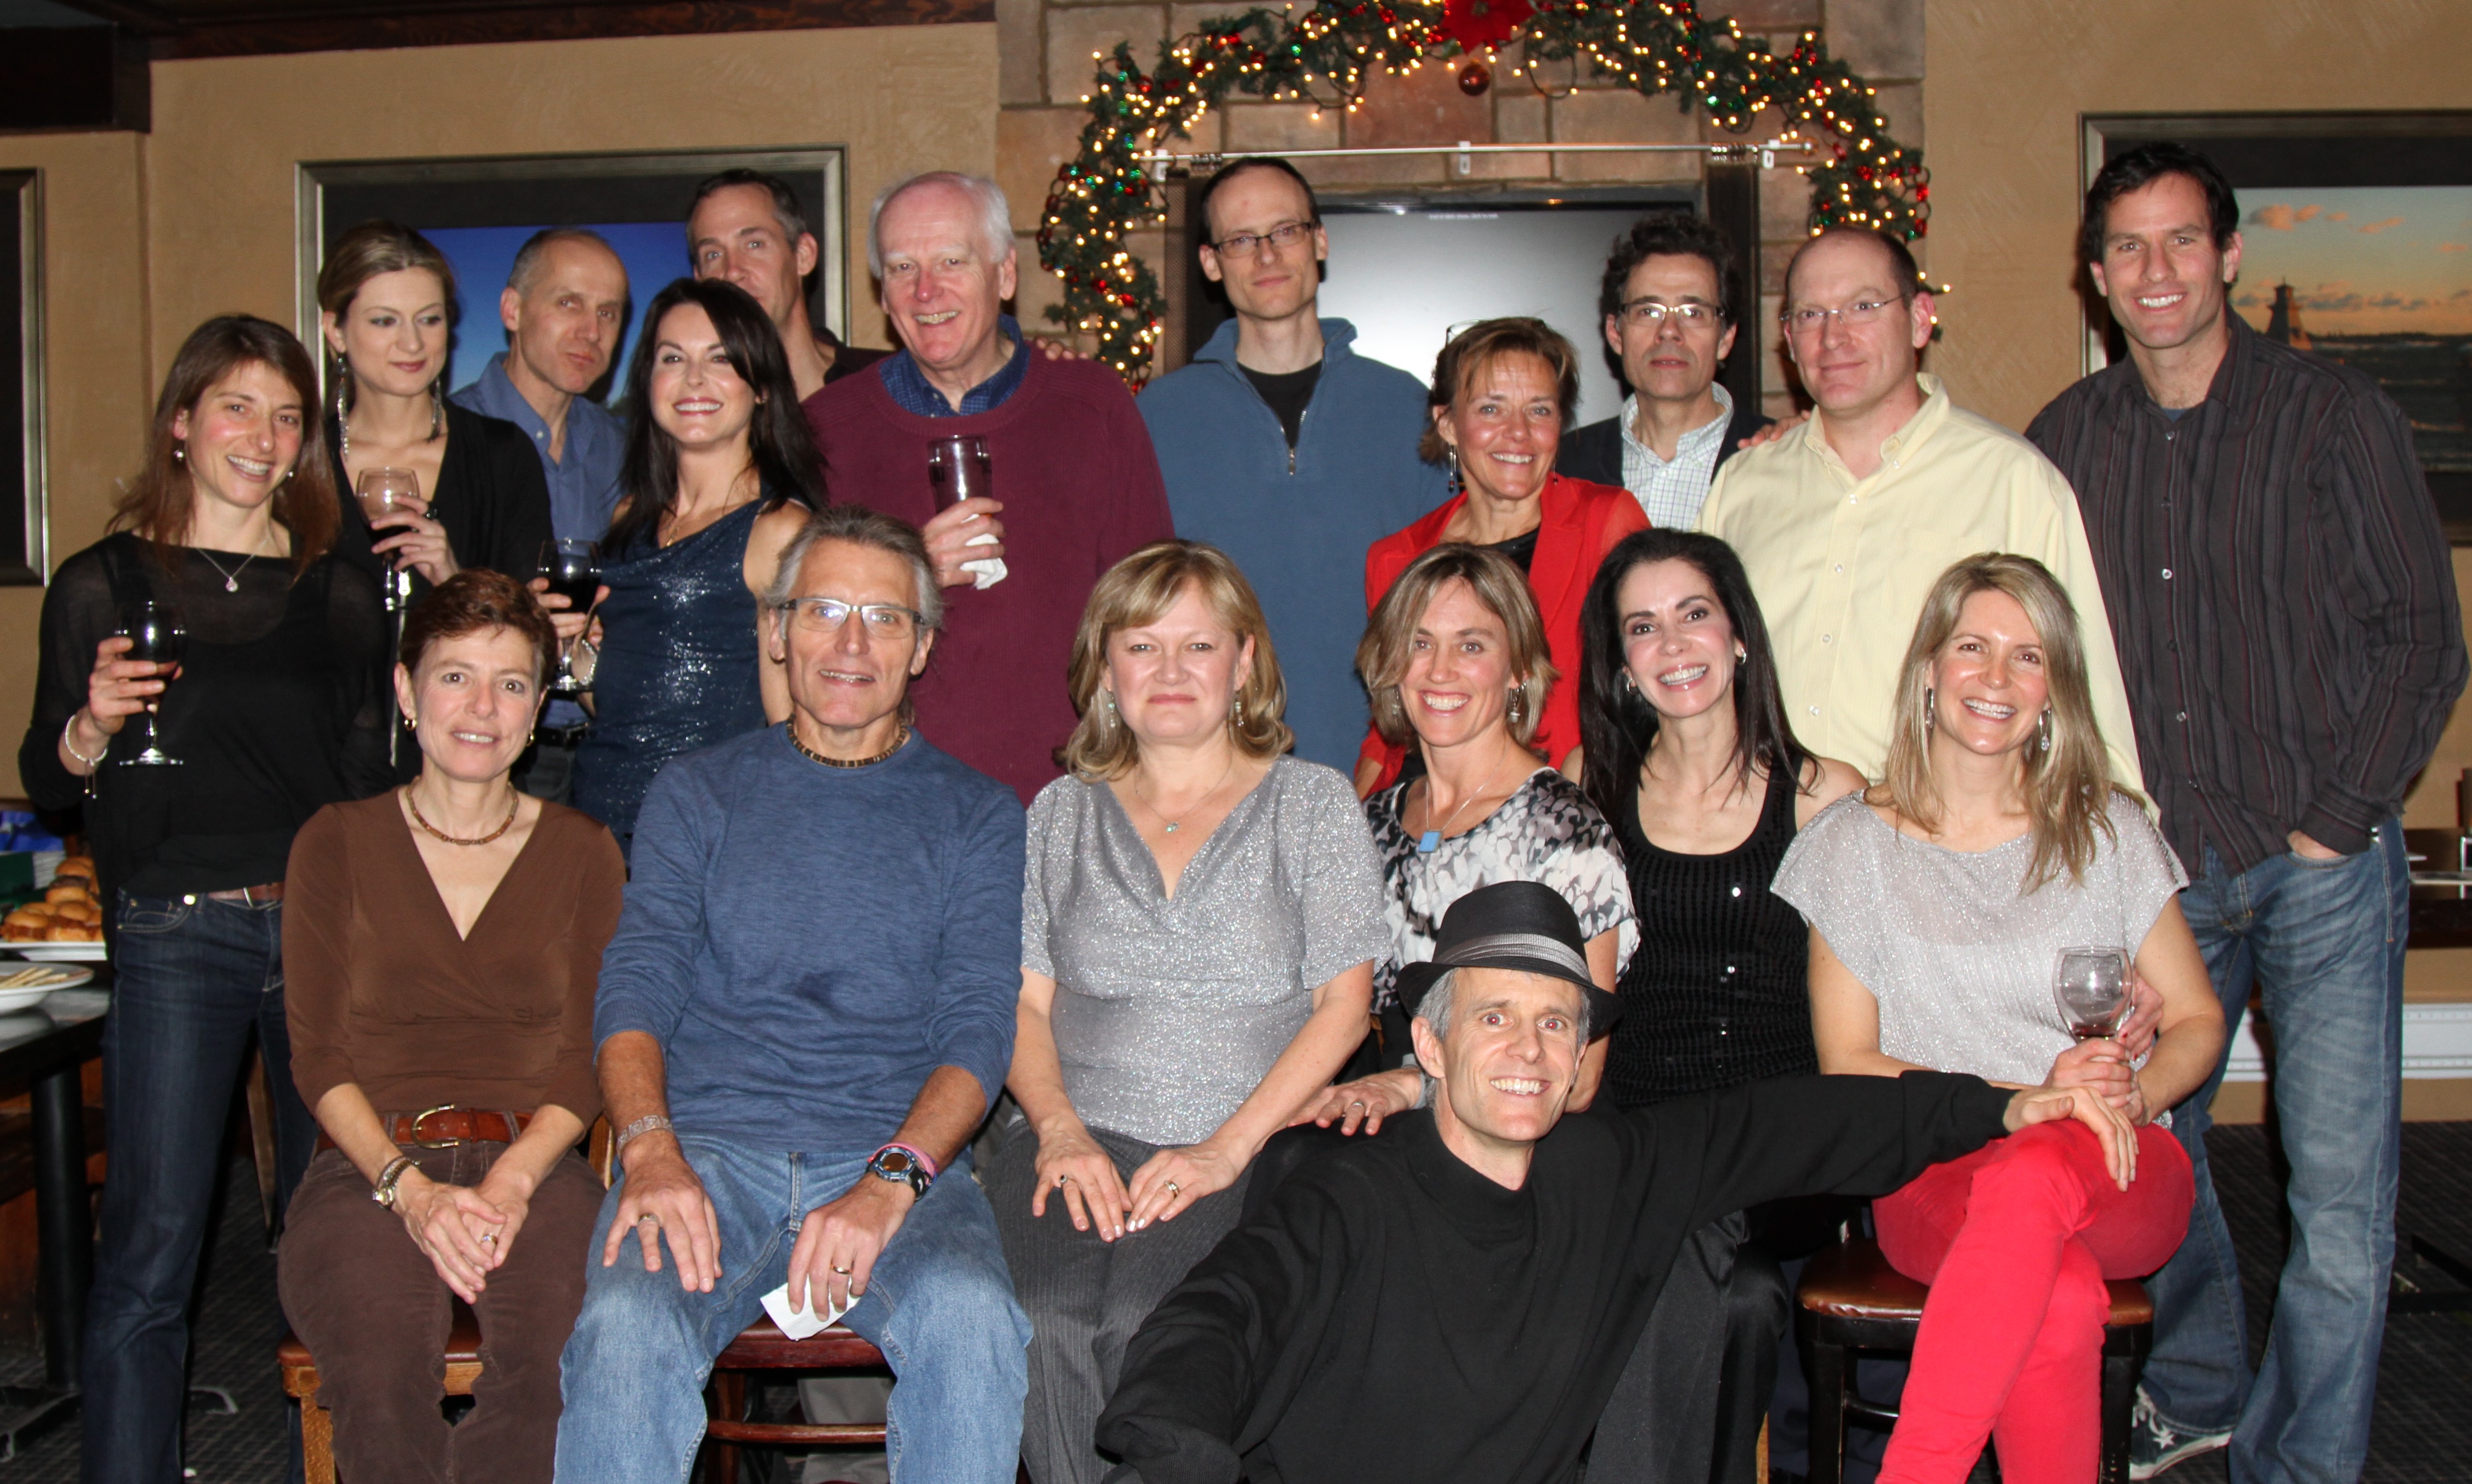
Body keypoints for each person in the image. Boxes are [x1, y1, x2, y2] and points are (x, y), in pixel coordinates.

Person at [1092, 880, 2140, 1484]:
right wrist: (1181, 1454)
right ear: (1431, 1044)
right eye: (1494, 1015)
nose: (1529, 1047)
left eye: (1557, 1022)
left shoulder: (1607, 1169)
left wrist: (1999, 1105)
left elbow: (1797, 1122)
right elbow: (1217, 1316)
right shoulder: (1349, 1198)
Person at [2026, 142, 2467, 1484]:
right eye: (2127, 247)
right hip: (2156, 872)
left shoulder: (2335, 416)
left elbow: (2421, 635)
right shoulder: (2064, 440)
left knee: (2336, 1196)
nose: (2154, 270)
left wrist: (2336, 817)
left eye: (2180, 241)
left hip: (2316, 859)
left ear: (2227, 256)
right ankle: (2203, 1383)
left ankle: (2305, 1461)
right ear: (2096, 275)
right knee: (2144, 1143)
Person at [553, 503, 1029, 1484]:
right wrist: (648, 1149)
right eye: (822, 610)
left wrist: (890, 1180)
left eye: (884, 617)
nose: (851, 644)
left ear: (922, 646)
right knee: (626, 1326)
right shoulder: (697, 791)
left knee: (972, 1317)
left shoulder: (977, 813)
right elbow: (636, 986)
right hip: (706, 1152)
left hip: (895, 1152)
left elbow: (978, 1027)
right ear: (775, 630)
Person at [15, 315, 392, 1482]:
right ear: (182, 422)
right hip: (176, 931)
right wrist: (90, 726)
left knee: (327, 1236)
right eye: (237, 406)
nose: (262, 436)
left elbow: (368, 782)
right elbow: (48, 778)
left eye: (286, 417)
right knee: (154, 1245)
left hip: (319, 931)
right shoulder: (101, 582)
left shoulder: (339, 590)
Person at [1772, 553, 2226, 1484]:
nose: (1995, 677)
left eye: (2027, 657)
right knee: (2053, 1294)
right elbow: (1848, 1062)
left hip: (2114, 1161)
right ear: (1927, 670)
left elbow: (2195, 1018)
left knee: (2034, 1178)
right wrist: (2027, 1097)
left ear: (2052, 690)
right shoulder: (1848, 848)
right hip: (1934, 1171)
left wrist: (2132, 1096)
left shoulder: (2106, 830)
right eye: (1972, 647)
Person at [988, 540, 1388, 1484]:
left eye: (1198, 645)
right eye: (1140, 645)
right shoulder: (1057, 812)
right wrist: (1058, 1130)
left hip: (1249, 1140)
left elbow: (1344, 1006)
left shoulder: (1313, 804)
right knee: (1044, 1318)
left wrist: (1223, 1150)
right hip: (1072, 1131)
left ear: (1243, 663)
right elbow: (1022, 1004)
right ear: (1104, 669)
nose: (1169, 669)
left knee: (1152, 1325)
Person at [279, 570, 624, 1484]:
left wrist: (512, 1179)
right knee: (381, 1371)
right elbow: (317, 1055)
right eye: (454, 676)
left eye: (510, 683)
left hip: (537, 1161)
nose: (481, 708)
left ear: (538, 706)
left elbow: (587, 1054)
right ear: (406, 690)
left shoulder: (585, 852)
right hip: (370, 1164)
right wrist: (413, 1192)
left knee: (561, 1363)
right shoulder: (335, 840)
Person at [1562, 526, 1869, 1482]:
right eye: (1641, 626)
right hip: (1636, 1121)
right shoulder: (1585, 784)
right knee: (1736, 1295)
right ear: (1620, 663)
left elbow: (1903, 965)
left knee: (1683, 1226)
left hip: (1782, 1139)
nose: (1672, 644)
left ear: (1738, 635)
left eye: (1693, 613)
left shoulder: (1823, 795)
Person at [1696, 227, 2140, 788]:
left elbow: (2088, 707)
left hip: (1933, 831)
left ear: (1921, 319)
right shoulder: (1743, 487)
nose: (1832, 337)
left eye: (1862, 307)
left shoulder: (2013, 483)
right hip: (1758, 826)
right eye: (1809, 315)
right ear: (1788, 337)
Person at [805, 170, 1174, 804]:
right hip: (885, 802)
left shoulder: (1091, 406)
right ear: (882, 292)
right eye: (901, 268)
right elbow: (797, 632)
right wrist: (910, 572)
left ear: (1005, 275)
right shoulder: (827, 429)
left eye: (952, 261)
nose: (926, 290)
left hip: (1072, 795)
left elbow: (1153, 612)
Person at [1137, 157, 1447, 771]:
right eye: (1241, 240)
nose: (1267, 255)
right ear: (1211, 263)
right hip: (1211, 771)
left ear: (1320, 241)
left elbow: (1447, 596)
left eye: (1286, 231)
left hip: (1382, 769)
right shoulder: (1157, 418)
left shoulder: (1406, 406)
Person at [1327, 543, 1634, 1094]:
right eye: (1420, 643)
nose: (1440, 670)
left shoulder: (1563, 830)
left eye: (1471, 645)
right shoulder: (1370, 825)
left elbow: (1579, 1076)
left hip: (1513, 1125)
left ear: (1518, 669)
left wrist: (1412, 1087)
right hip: (1384, 1109)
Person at [568, 277, 814, 854]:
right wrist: (575, 653)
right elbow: (615, 705)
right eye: (673, 358)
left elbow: (792, 729)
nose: (694, 380)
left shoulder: (778, 529)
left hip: (707, 839)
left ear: (761, 386)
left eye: (720, 359)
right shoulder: (630, 517)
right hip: (594, 822)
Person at [1358, 318, 1646, 795]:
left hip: (1572, 802)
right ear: (1448, 424)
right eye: (1491, 409)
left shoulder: (1606, 521)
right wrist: (1354, 822)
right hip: (1435, 804)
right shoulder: (1396, 558)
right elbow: (1390, 729)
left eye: (1539, 410)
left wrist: (1579, 792)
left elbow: (1646, 682)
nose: (1519, 432)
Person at [451, 227, 632, 804]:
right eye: (569, 303)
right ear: (512, 310)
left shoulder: (623, 449)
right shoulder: (449, 438)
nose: (591, 331)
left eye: (609, 313)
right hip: (487, 752)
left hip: (604, 751)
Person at [317, 220, 554, 609]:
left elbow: (533, 630)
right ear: (336, 331)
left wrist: (453, 580)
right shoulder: (302, 462)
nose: (412, 343)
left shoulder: (503, 456)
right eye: (385, 321)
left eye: (429, 319)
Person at [1557, 213, 1773, 527]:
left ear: (1726, 338)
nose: (1669, 331)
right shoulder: (1562, 467)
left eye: (1693, 313)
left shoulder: (1778, 458)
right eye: (1648, 311)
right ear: (1616, 333)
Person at [685, 167, 890, 407]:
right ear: (699, 279)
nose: (732, 271)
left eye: (754, 245)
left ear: (803, 256)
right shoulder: (696, 408)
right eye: (713, 255)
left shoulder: (891, 386)